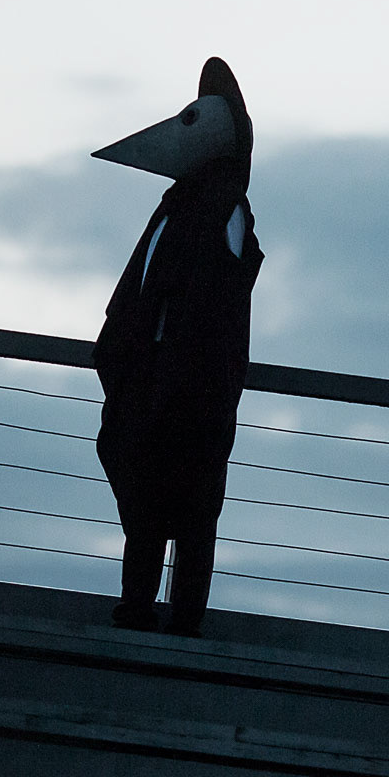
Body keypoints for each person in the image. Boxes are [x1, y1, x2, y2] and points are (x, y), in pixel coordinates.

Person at [90, 58, 262, 635]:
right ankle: (137, 602)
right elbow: (140, 294)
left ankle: (186, 615)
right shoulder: (177, 206)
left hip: (197, 383)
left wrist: (190, 365)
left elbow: (219, 295)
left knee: (194, 502)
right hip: (151, 375)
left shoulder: (225, 209)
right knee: (143, 487)